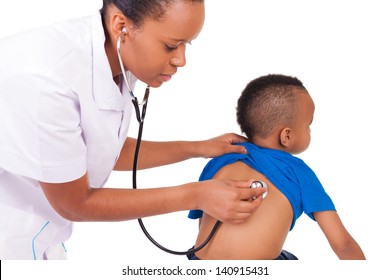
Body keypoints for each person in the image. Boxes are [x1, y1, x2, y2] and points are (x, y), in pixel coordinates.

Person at [0, 0, 268, 260]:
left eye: (187, 45)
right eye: (171, 45)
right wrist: (196, 195)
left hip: (41, 234)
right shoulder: (48, 79)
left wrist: (198, 148)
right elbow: (75, 203)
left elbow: (100, 149)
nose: (181, 60)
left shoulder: (118, 54)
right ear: (121, 24)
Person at [188, 74, 366, 260]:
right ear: (286, 136)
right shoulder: (298, 171)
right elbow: (342, 244)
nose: (310, 130)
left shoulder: (218, 160)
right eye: (308, 125)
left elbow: (203, 229)